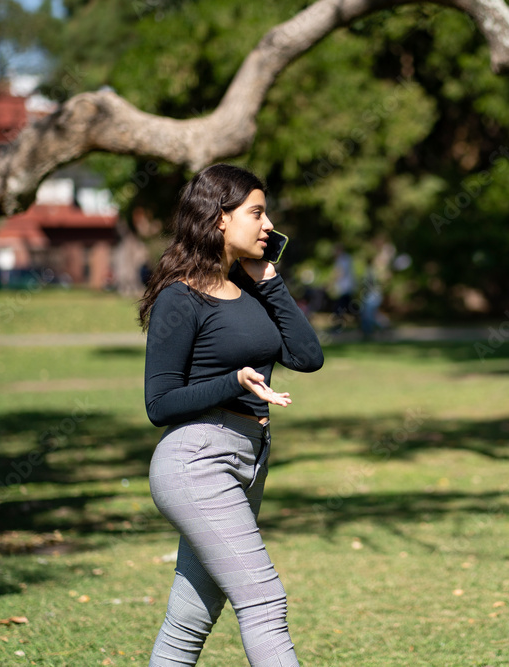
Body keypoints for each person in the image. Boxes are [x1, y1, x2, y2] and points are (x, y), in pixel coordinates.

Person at [138, 163, 324, 666]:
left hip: (249, 458)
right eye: (257, 213)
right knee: (264, 600)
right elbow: (159, 404)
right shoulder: (180, 297)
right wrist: (231, 381)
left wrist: (270, 282)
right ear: (220, 219)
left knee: (191, 615)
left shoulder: (249, 292)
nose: (268, 226)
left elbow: (308, 357)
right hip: (196, 461)